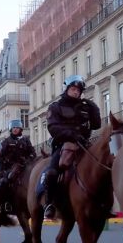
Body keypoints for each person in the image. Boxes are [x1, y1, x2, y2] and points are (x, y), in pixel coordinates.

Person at [43, 75, 101, 219]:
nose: (76, 92)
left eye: (79, 90)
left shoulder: (85, 107)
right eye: (74, 89)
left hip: (84, 144)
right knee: (51, 173)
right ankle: (49, 204)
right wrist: (71, 134)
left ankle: (104, 203)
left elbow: (96, 125)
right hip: (63, 145)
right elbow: (53, 127)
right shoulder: (55, 107)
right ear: (67, 89)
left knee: (102, 165)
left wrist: (94, 108)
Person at [0, 118, 36, 211]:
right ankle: (6, 202)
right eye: (13, 127)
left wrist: (28, 159)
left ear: (20, 129)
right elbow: (0, 156)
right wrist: (1, 171)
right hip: (10, 167)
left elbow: (33, 153)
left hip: (25, 165)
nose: (15, 129)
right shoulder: (6, 141)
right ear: (11, 129)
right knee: (5, 182)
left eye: (17, 127)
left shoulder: (25, 140)